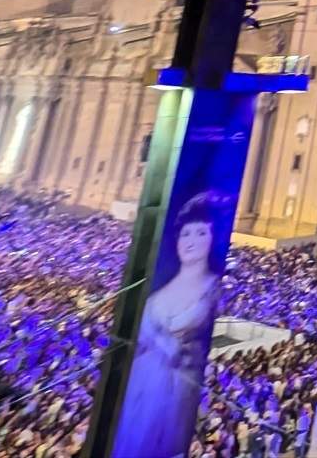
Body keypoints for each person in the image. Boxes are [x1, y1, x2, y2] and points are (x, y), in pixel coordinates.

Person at [112, 191, 232, 458]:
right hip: (140, 391)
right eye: (185, 233)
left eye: (201, 233)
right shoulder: (155, 297)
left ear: (213, 240)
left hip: (178, 396)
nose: (191, 241)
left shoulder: (213, 288)